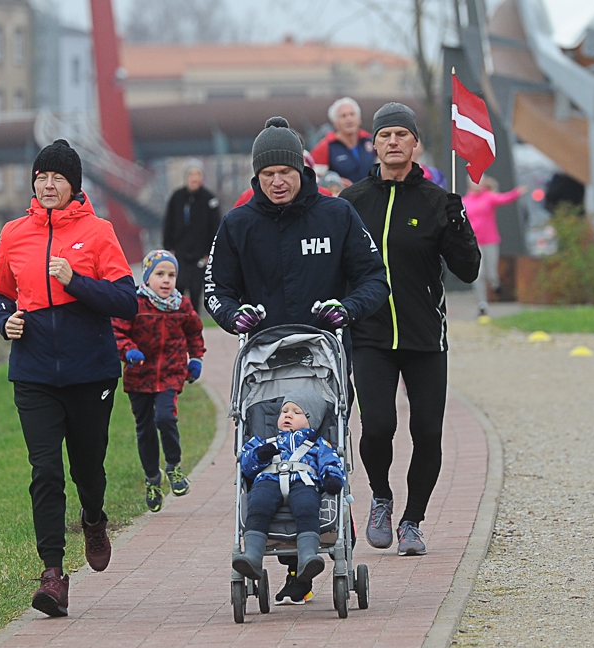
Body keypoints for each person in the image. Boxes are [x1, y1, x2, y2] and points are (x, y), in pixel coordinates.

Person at [206, 115, 389, 604]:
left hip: (323, 360)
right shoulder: (238, 224)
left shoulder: (336, 216)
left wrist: (346, 309)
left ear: (302, 169)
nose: (277, 182)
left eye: (285, 172)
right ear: (256, 178)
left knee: (320, 449)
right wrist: (232, 316)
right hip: (262, 367)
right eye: (267, 175)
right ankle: (288, 557)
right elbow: (215, 288)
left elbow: (374, 278)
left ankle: (327, 542)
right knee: (268, 456)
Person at [0, 139, 139, 618]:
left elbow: (126, 301)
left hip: (89, 370)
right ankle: (53, 575)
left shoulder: (98, 232)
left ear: (73, 185)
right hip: (33, 371)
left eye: (58, 178)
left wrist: (75, 281)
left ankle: (93, 517)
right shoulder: (13, 233)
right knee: (45, 471)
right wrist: (4, 318)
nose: (48, 185)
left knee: (87, 470)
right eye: (42, 177)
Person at [339, 103, 481, 557]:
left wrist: (459, 223)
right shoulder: (351, 202)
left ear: (415, 143)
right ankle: (381, 497)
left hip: (424, 337)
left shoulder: (438, 201)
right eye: (386, 135)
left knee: (429, 433)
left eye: (403, 134)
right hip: (370, 336)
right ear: (374, 144)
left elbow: (469, 269)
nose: (394, 142)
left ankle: (412, 520)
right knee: (378, 426)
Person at [112, 249, 206, 512]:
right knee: (144, 428)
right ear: (147, 276)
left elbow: (195, 334)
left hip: (170, 373)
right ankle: (153, 478)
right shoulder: (134, 304)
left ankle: (174, 467)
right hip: (139, 374)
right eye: (160, 274)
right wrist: (128, 349)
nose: (166, 280)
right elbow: (117, 330)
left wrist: (196, 359)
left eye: (172, 275)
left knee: (165, 418)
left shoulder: (182, 306)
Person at [233, 391, 346, 600]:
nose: (287, 415)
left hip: (303, 481)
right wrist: (260, 455)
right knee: (258, 506)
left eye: (296, 412)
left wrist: (331, 477)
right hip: (268, 481)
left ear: (311, 421)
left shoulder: (318, 445)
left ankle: (307, 557)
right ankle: (252, 557)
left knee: (306, 508)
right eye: (284, 411)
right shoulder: (265, 441)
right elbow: (246, 466)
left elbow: (331, 462)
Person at [162, 159, 221, 315]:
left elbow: (216, 228)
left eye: (198, 174)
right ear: (186, 177)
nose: (194, 178)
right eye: (191, 174)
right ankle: (177, 322)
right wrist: (168, 248)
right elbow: (168, 223)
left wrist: (210, 253)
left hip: (200, 255)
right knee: (178, 286)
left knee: (196, 291)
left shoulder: (210, 199)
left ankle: (194, 325)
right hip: (179, 253)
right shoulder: (177, 197)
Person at [463, 176, 528, 318]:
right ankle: (482, 304)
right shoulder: (465, 202)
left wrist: (517, 192)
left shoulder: (489, 198)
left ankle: (495, 284)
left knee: (491, 272)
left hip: (490, 240)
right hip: (474, 242)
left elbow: (504, 198)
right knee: (478, 274)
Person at [310, 97, 376, 184]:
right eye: (343, 116)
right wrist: (335, 182)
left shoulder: (372, 141)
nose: (349, 119)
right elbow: (313, 179)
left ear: (359, 119)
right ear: (335, 123)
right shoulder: (326, 146)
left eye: (352, 114)